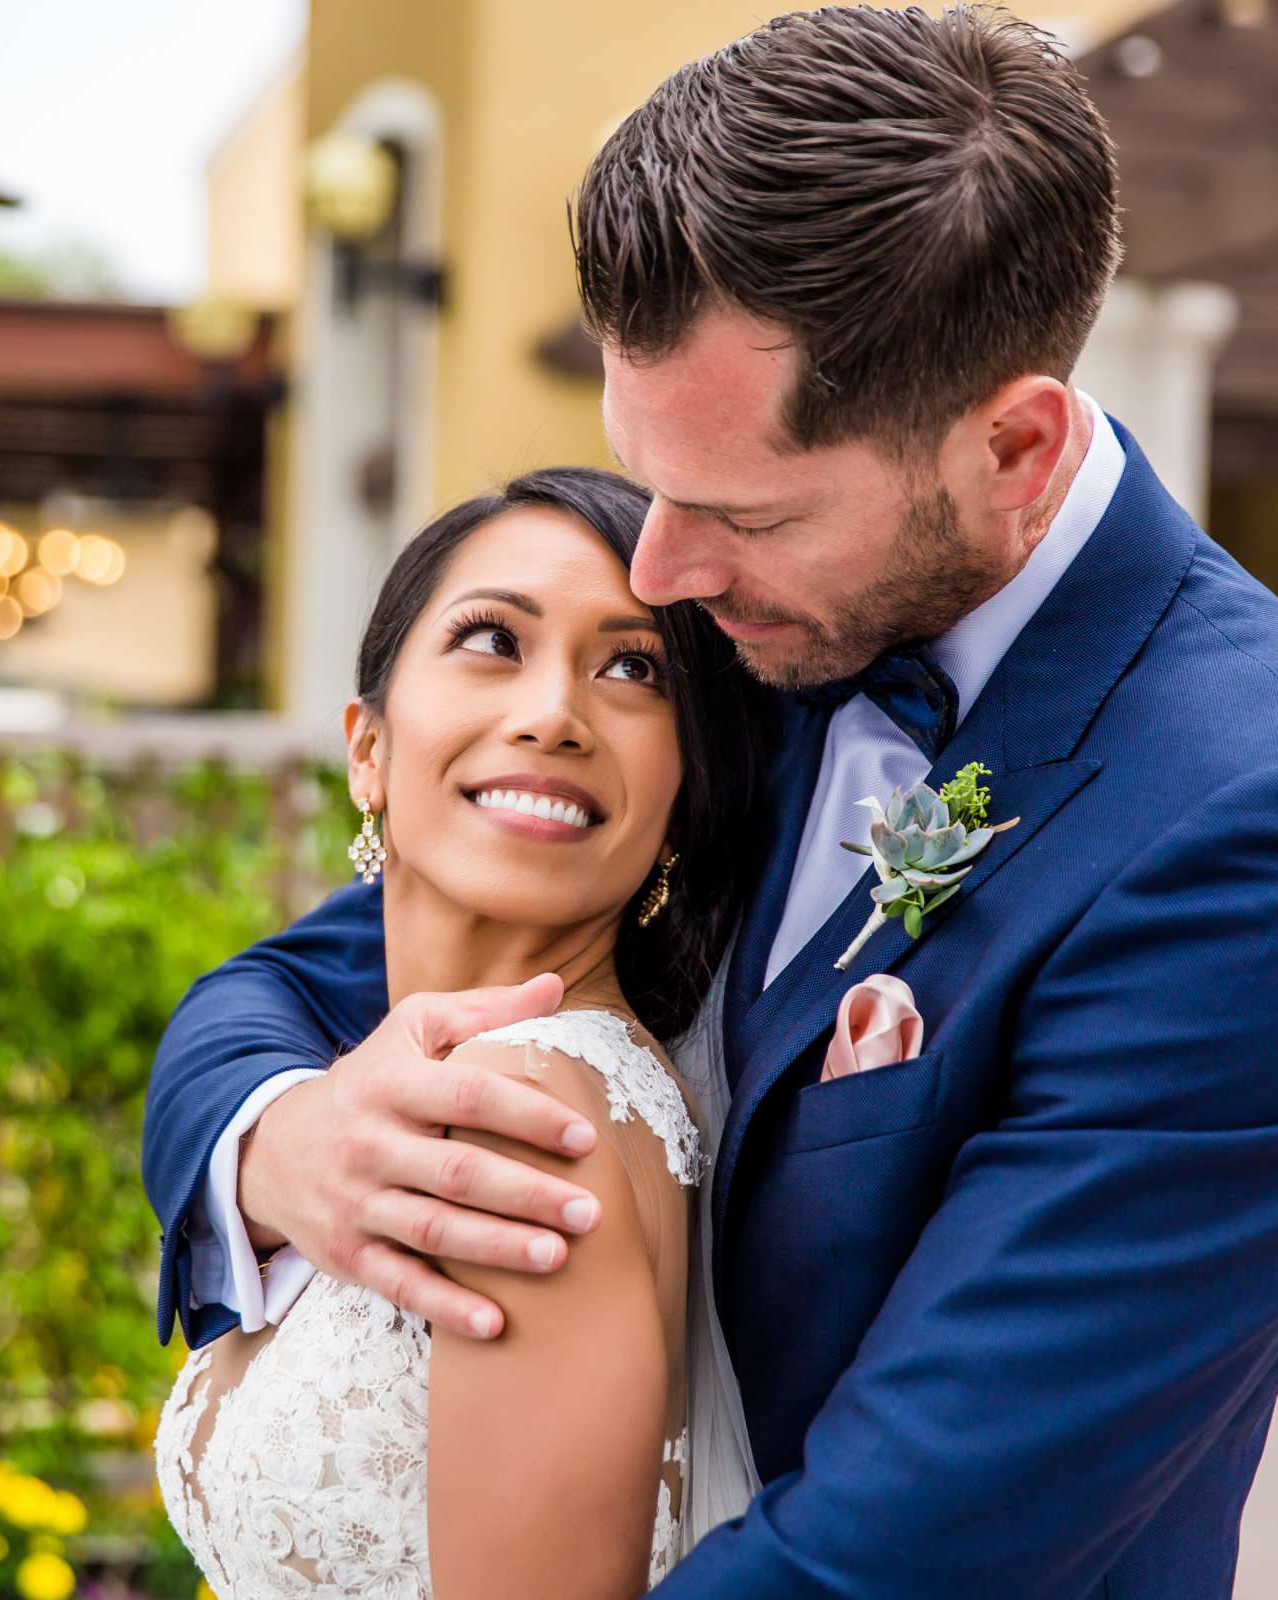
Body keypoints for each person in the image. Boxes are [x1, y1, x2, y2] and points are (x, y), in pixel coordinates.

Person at [145, 9, 1278, 1595]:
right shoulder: (753, 625)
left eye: (739, 512)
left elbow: (911, 1542)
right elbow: (304, 975)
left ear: (1016, 446)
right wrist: (274, 1141)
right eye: (650, 476)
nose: (661, 575)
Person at [150, 467, 768, 1597]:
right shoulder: (421, 1078)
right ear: (368, 749)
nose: (552, 714)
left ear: (682, 789)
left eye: (633, 668)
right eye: (493, 639)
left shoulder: (527, 1117)